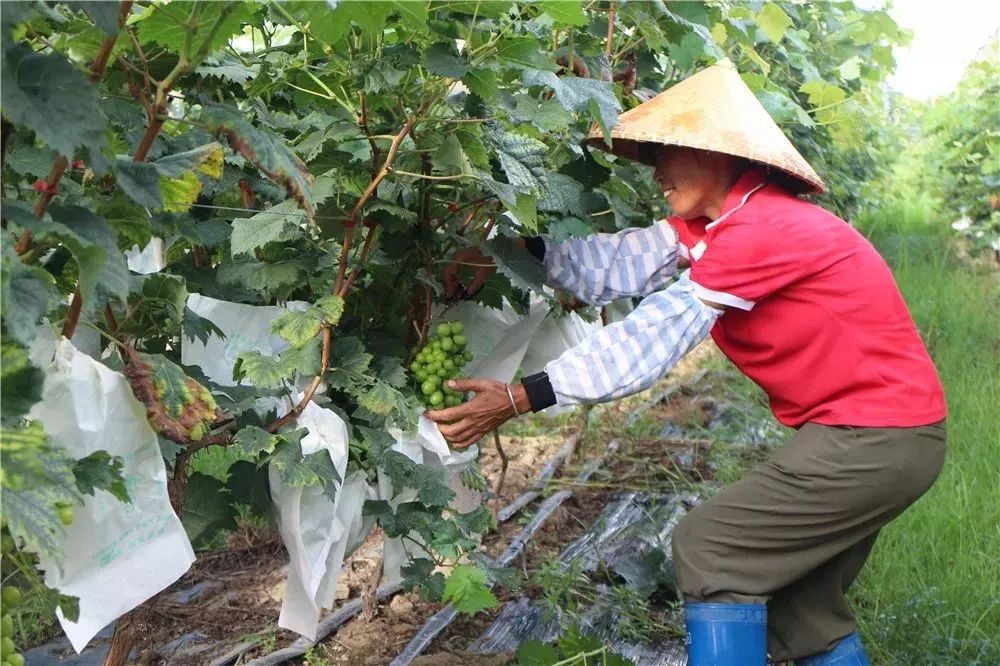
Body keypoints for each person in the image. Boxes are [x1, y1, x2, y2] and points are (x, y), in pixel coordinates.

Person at [428, 60, 946, 666]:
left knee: (710, 549)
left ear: (717, 152)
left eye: (664, 155)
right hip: (882, 436)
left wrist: (522, 397)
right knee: (803, 610)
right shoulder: (721, 226)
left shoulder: (764, 229)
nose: (656, 175)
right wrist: (514, 250)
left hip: (874, 438)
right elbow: (617, 264)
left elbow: (652, 335)